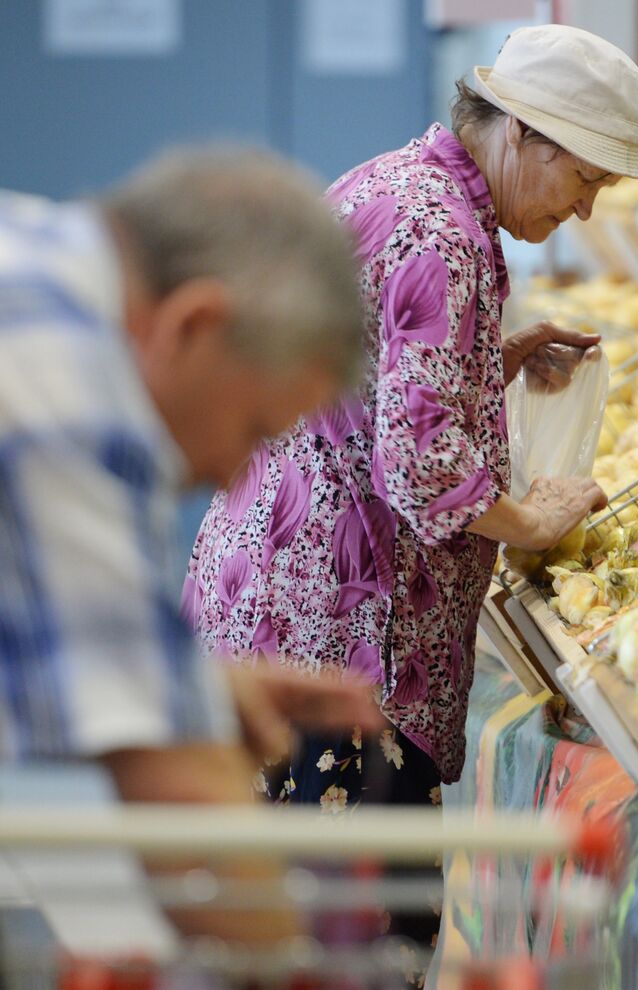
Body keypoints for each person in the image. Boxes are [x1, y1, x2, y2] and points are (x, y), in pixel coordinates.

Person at [184, 22, 638, 938]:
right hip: (345, 640)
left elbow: (363, 379)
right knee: (348, 941)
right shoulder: (447, 234)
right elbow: (422, 468)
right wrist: (533, 518)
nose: (586, 210)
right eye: (586, 180)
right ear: (522, 133)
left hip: (270, 593)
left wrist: (496, 357)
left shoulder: (394, 183)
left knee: (269, 921)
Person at [0, 149, 385, 942]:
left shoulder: (35, 261)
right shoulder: (61, 372)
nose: (227, 475)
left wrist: (188, 687)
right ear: (193, 325)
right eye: (254, 431)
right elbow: (182, 803)